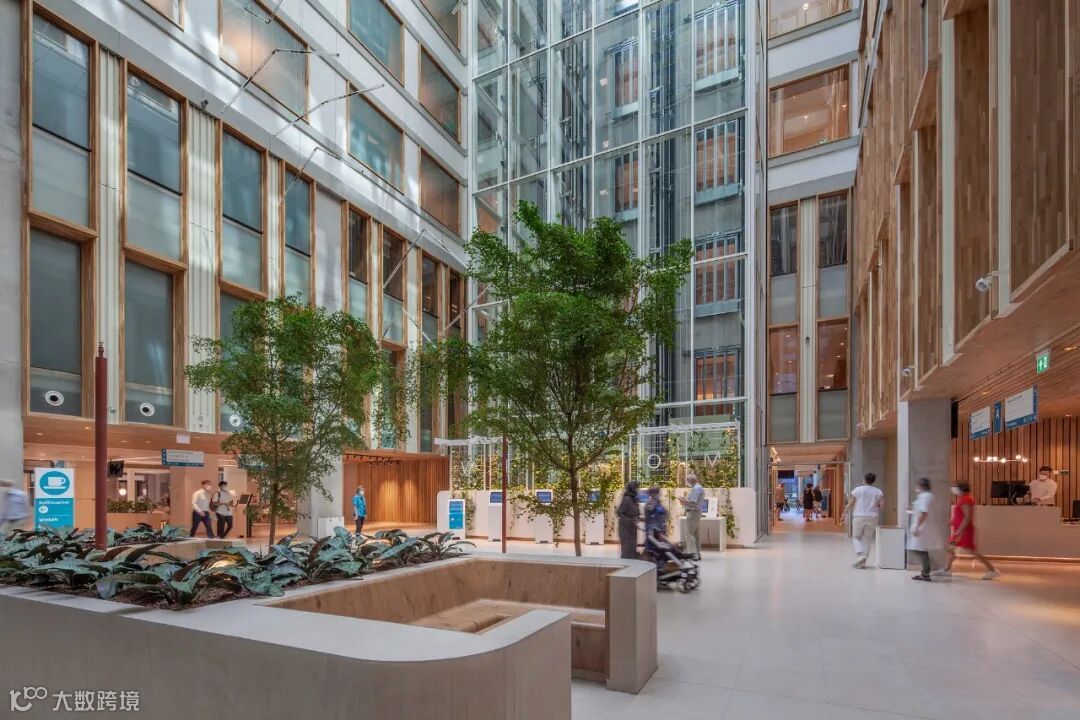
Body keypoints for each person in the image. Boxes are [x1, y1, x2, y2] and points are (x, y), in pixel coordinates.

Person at [933, 482, 999, 580]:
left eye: (956, 487)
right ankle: (946, 569)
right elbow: (961, 516)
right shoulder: (963, 499)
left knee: (972, 551)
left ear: (961, 489)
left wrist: (960, 529)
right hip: (960, 532)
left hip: (964, 532)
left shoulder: (966, 499)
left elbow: (967, 517)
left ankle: (992, 570)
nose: (954, 489)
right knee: (950, 548)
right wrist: (952, 522)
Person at [844, 473, 884, 568]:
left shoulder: (857, 490)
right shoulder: (878, 491)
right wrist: (876, 506)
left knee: (856, 537)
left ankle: (860, 556)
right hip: (873, 517)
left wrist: (844, 512)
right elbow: (882, 505)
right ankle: (863, 562)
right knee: (867, 539)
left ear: (864, 480)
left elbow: (851, 503)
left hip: (859, 516)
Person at [908, 477, 944, 581]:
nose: (916, 487)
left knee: (919, 549)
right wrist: (911, 511)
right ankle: (925, 571)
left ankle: (926, 572)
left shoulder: (925, 497)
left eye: (917, 485)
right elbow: (921, 511)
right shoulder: (927, 496)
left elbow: (924, 512)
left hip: (922, 527)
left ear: (921, 486)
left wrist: (917, 526)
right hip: (924, 526)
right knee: (920, 549)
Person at [679, 473, 704, 560]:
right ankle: (698, 553)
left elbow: (693, 502)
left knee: (689, 534)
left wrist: (683, 500)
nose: (687, 482)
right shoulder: (699, 487)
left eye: (687, 481)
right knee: (696, 534)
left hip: (692, 513)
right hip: (697, 513)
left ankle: (693, 554)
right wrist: (686, 500)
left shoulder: (696, 488)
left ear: (691, 480)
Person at [616, 481, 641, 559]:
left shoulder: (634, 500)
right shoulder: (627, 499)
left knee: (632, 551)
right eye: (637, 488)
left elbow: (636, 513)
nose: (638, 490)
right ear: (633, 489)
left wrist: (639, 518)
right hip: (625, 530)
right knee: (627, 552)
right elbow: (619, 513)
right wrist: (630, 521)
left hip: (632, 529)